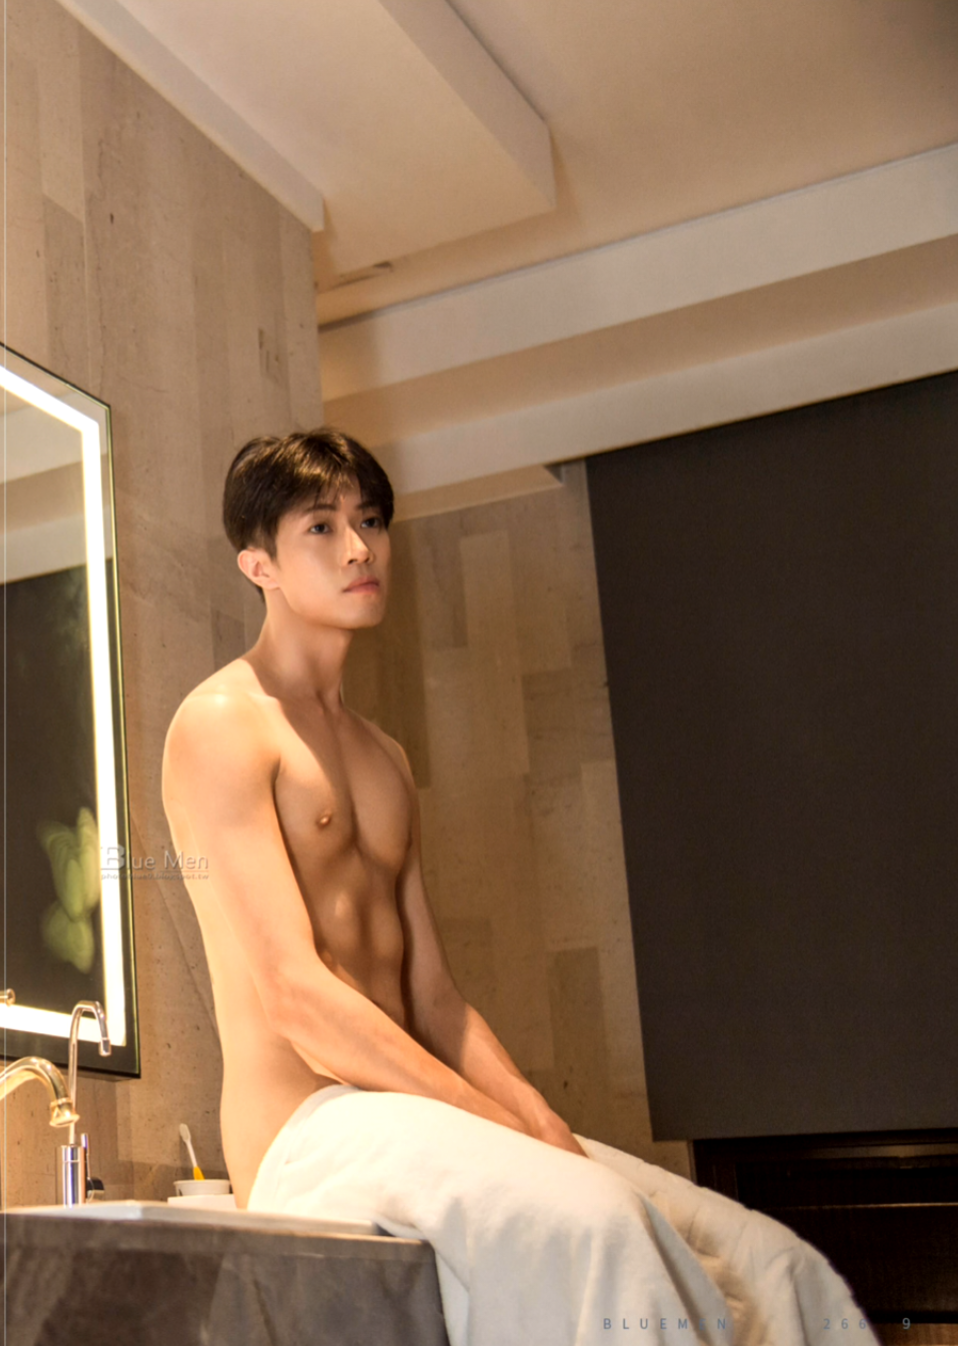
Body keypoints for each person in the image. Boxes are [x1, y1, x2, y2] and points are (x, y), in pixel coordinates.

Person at [160, 429, 873, 1346]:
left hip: (418, 1117)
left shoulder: (385, 758)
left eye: (371, 521)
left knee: (772, 1261)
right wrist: (493, 1122)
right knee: (602, 1224)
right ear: (257, 563)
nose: (360, 549)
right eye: (322, 527)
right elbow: (295, 996)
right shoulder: (222, 724)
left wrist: (538, 1118)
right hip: (308, 1133)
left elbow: (436, 1000)